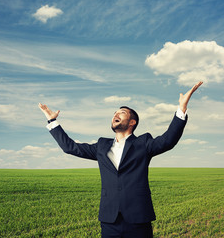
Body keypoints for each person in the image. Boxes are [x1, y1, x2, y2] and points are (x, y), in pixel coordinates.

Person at [39, 81, 203, 238]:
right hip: (110, 220)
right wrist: (52, 121)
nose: (116, 114)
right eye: (114, 113)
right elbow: (70, 147)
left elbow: (168, 140)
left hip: (138, 219)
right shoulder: (101, 146)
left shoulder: (143, 143)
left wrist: (181, 109)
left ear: (132, 122)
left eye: (121, 113)